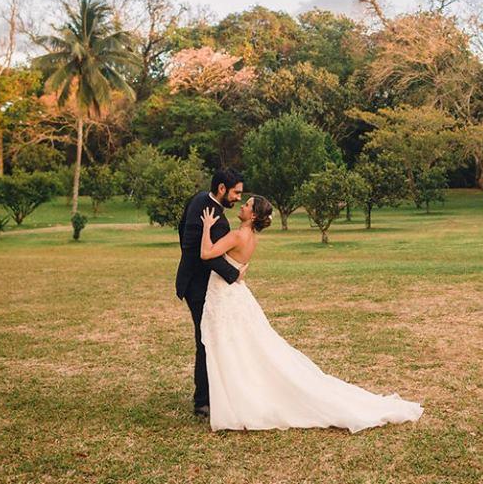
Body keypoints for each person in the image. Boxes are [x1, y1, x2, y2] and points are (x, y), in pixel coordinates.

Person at [198, 194, 424, 432]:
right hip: (234, 296)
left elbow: (206, 253)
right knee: (242, 347)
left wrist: (206, 228)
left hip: (226, 296)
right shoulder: (250, 238)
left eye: (246, 205)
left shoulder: (236, 235)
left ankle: (239, 400)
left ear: (253, 215)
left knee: (230, 346)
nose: (242, 206)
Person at [175, 169, 246, 418]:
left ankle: (213, 393)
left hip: (194, 281)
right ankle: (203, 401)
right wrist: (233, 273)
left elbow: (181, 230)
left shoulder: (197, 200)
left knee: (210, 337)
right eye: (236, 192)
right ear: (222, 189)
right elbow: (205, 255)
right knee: (205, 340)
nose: (238, 197)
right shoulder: (215, 216)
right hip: (198, 286)